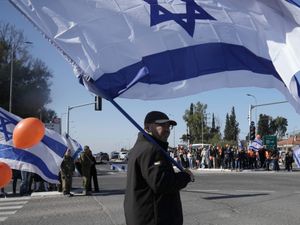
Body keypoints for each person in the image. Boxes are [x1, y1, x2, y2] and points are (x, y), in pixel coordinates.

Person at [124, 111, 194, 225]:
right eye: (162, 125)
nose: (167, 129)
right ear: (147, 127)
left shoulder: (140, 147)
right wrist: (186, 176)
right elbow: (162, 183)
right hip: (154, 217)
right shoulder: (151, 149)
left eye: (168, 126)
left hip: (143, 214)